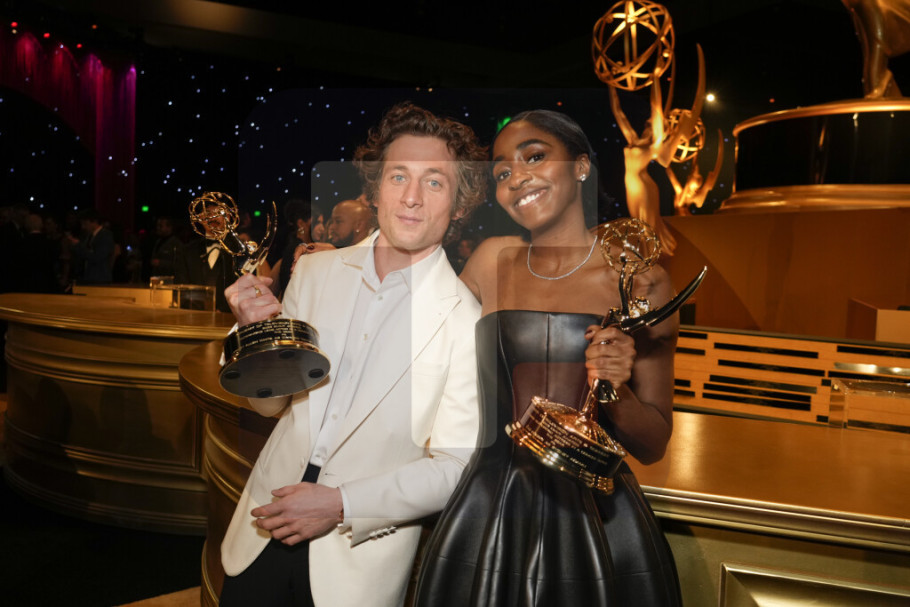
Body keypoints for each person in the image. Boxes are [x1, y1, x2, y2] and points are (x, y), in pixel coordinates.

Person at [218, 102, 488, 607]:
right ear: (375, 189)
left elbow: (455, 466)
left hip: (356, 559)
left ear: (458, 205)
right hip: (263, 524)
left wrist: (340, 504)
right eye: (398, 176)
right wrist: (255, 338)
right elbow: (269, 404)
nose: (412, 197)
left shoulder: (467, 321)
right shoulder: (314, 272)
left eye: (434, 182)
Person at [415, 110, 682, 606]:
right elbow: (415, 341)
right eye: (501, 173)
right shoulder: (490, 260)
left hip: (596, 520)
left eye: (534, 157)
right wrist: (342, 265)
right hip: (489, 506)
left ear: (581, 166)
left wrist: (614, 391)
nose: (516, 178)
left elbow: (653, 445)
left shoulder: (640, 279)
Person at [174, 201, 235, 313]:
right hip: (195, 318)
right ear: (200, 218)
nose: (213, 217)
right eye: (208, 213)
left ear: (229, 217)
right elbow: (180, 289)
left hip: (230, 318)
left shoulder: (239, 251)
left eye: (219, 212)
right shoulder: (187, 251)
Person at [69, 208, 115, 284]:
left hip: (100, 279)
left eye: (85, 224)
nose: (83, 227)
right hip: (89, 278)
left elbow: (97, 257)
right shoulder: (89, 236)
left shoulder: (105, 235)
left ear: (94, 222)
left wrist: (78, 245)